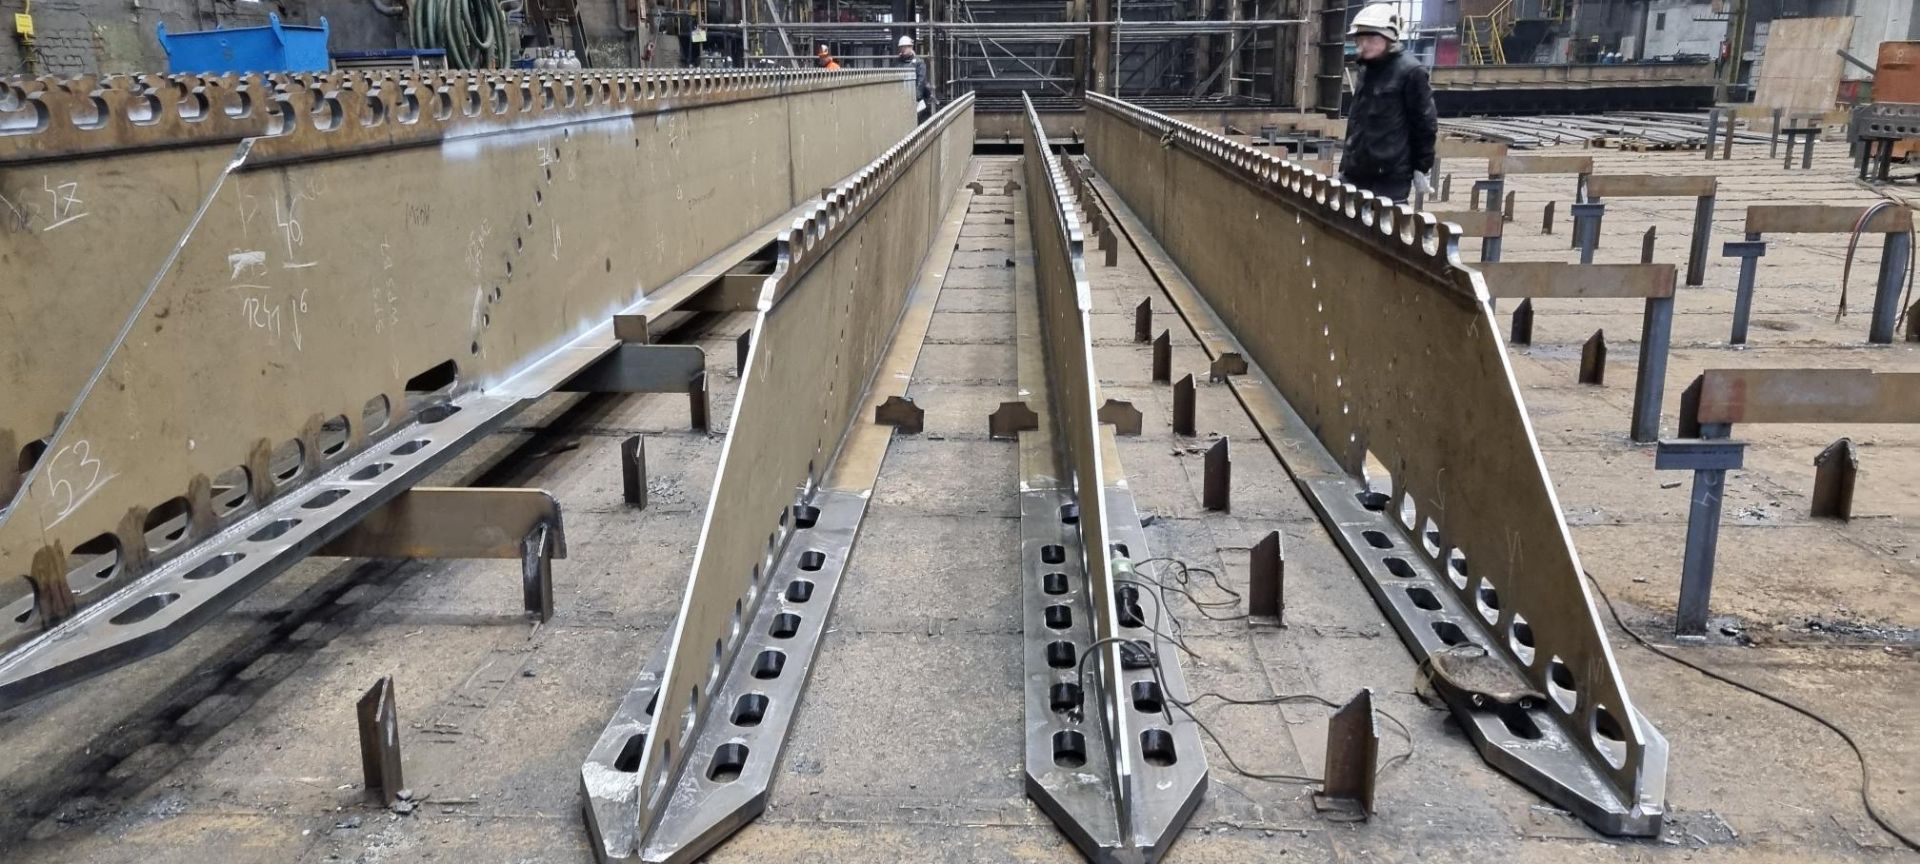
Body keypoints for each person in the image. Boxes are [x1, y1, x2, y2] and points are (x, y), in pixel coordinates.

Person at [1337, 3, 1437, 205]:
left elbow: (1424, 124)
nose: (1364, 44)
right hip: (1356, 171)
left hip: (1389, 177)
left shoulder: (1411, 72)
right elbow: (1356, 122)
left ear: (1390, 37)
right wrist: (1345, 164)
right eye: (1360, 38)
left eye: (1371, 39)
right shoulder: (1367, 68)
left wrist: (1422, 166)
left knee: (1384, 224)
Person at [896, 35, 934, 122]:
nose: (903, 49)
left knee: (919, 121)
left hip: (918, 100)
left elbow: (921, 81)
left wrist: (916, 97)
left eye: (905, 47)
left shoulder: (919, 62)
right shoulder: (898, 62)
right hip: (902, 97)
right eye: (901, 47)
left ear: (911, 47)